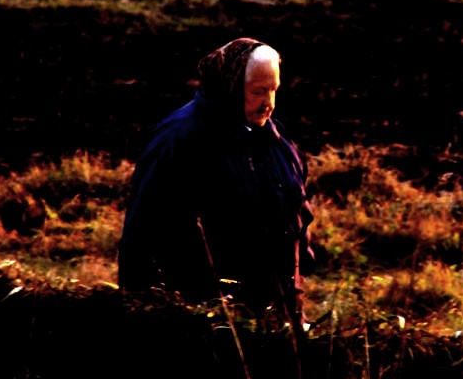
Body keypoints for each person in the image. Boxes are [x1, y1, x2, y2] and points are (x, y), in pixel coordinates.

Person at [118, 37, 315, 326]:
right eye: (258, 92)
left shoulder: (277, 142)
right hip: (205, 321)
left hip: (274, 317)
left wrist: (294, 291)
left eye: (274, 90)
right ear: (232, 88)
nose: (269, 104)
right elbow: (148, 233)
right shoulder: (180, 141)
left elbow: (297, 218)